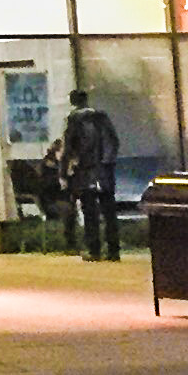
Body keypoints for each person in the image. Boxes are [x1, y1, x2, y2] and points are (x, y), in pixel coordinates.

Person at [60, 87, 122, 261]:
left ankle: (94, 250)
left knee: (90, 213)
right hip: (105, 173)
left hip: (85, 172)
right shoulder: (102, 118)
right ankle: (113, 250)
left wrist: (63, 173)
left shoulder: (73, 121)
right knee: (109, 212)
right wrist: (107, 164)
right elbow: (114, 142)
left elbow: (67, 149)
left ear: (72, 102)